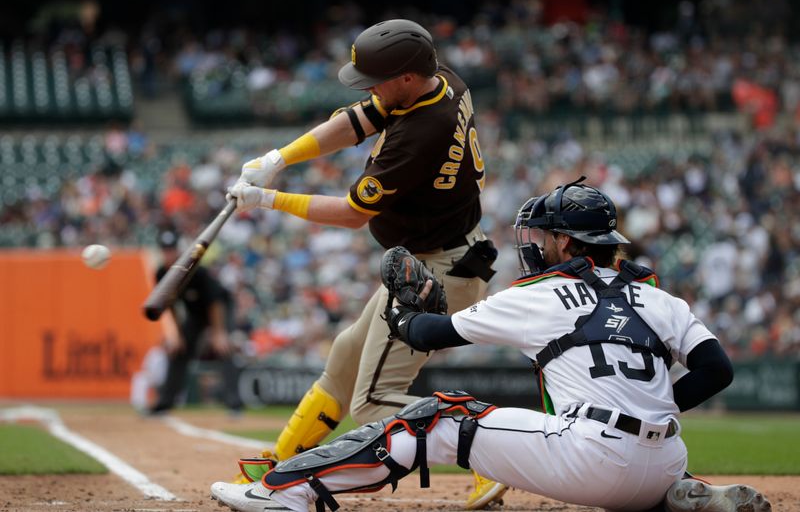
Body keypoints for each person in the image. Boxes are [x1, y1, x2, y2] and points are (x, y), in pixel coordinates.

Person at [210, 178, 771, 512]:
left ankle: (285, 490)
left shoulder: (541, 293)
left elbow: (435, 334)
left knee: (437, 415)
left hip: (592, 458)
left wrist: (403, 312)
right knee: (639, 463)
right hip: (668, 458)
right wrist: (657, 410)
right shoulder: (657, 296)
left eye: (542, 235)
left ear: (566, 242)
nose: (534, 244)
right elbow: (717, 370)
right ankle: (678, 497)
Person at [225, 18, 506, 509]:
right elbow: (358, 120)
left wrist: (269, 199)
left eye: (377, 79)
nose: (370, 89)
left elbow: (355, 214)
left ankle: (495, 453)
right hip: (434, 258)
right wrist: (282, 156)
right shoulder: (440, 80)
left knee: (374, 401)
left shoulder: (420, 133)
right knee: (346, 354)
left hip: (436, 271)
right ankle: (283, 463)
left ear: (405, 78)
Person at [147, 229, 244, 415]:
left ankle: (234, 404)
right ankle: (164, 403)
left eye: (171, 249)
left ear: (178, 250)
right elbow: (170, 306)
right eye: (165, 250)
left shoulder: (194, 270)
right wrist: (176, 334)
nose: (168, 254)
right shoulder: (161, 274)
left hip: (220, 311)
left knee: (224, 349)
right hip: (196, 315)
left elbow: (215, 302)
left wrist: (218, 332)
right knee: (177, 350)